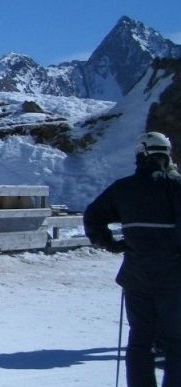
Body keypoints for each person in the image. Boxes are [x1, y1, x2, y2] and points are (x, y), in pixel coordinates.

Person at [84, 131, 181, 387]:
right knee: (176, 342)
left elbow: (93, 216)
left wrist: (111, 244)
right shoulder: (176, 187)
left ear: (141, 156)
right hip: (174, 279)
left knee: (140, 339)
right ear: (165, 155)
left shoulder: (123, 189)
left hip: (136, 277)